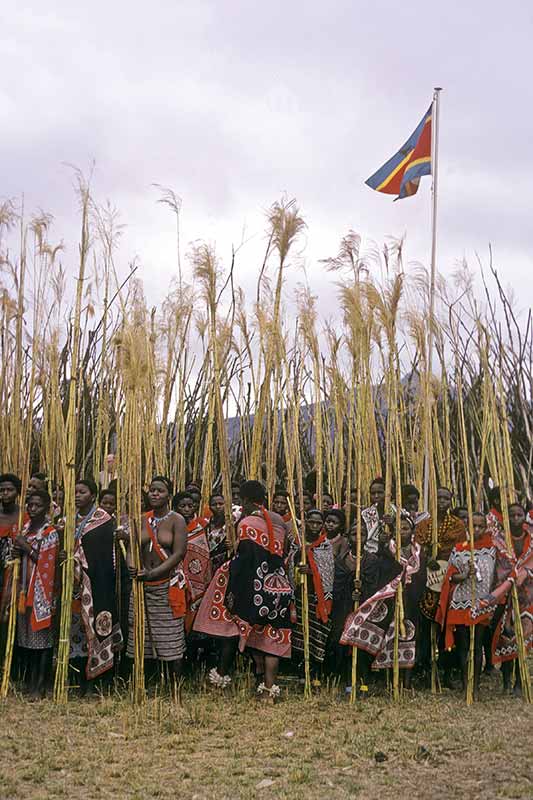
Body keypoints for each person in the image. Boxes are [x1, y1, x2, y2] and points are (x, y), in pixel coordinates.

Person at [194, 480, 293, 701]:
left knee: (231, 630)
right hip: (278, 586)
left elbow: (246, 559)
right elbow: (280, 554)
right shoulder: (280, 522)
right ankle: (268, 689)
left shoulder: (247, 522)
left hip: (253, 586)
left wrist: (232, 589)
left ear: (246, 500)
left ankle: (220, 677)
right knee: (271, 637)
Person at [341, 515, 426, 688]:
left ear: (412, 532)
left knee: (409, 635)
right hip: (389, 601)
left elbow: (422, 580)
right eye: (398, 528)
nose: (402, 532)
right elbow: (381, 577)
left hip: (410, 602)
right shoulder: (386, 552)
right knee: (384, 636)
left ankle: (406, 683)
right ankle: (385, 679)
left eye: (406, 528)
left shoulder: (420, 554)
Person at [126, 477, 188, 681]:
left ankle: (174, 688)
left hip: (165, 585)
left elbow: (179, 554)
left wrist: (154, 573)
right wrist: (131, 567)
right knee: (141, 637)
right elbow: (132, 547)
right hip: (142, 586)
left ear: (169, 495)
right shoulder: (142, 519)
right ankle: (142, 683)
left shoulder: (177, 520)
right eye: (152, 490)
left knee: (170, 638)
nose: (154, 494)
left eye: (160, 491)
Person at [67, 478, 123, 691]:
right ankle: (79, 678)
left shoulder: (103, 519)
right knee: (77, 631)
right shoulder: (69, 520)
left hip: (99, 584)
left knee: (100, 626)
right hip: (76, 586)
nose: (77, 495)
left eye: (82, 491)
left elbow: (105, 555)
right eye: (75, 492)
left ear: (92, 495)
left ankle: (101, 679)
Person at [436, 512, 496, 699]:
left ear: (485, 527)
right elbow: (451, 576)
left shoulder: (492, 548)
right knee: (463, 646)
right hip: (461, 602)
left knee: (477, 645)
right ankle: (465, 684)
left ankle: (476, 686)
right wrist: (464, 575)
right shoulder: (459, 548)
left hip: (481, 603)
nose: (476, 530)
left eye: (480, 526)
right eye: (473, 526)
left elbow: (497, 575)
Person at [11, 489, 59, 697]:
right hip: (23, 591)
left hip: (42, 595)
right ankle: (30, 682)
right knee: (27, 640)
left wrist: (25, 547)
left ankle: (41, 684)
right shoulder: (25, 529)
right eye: (29, 505)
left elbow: (47, 563)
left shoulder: (50, 532)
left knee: (42, 641)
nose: (32, 509)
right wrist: (16, 551)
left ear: (47, 507)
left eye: (37, 505)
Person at [482, 503, 533, 695]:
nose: (516, 519)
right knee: (505, 637)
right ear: (506, 518)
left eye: (519, 515)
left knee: (523, 638)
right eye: (511, 515)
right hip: (505, 596)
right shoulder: (499, 541)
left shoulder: (532, 539)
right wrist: (509, 579)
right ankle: (506, 681)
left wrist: (524, 574)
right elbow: (497, 567)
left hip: (527, 596)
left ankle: (519, 682)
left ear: (525, 517)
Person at [291, 509, 334, 673]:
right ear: (306, 522)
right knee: (300, 633)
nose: (315, 526)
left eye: (318, 523)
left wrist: (312, 571)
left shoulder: (325, 545)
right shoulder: (297, 542)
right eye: (312, 522)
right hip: (300, 593)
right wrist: (297, 566)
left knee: (316, 635)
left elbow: (328, 572)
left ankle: (314, 672)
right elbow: (288, 562)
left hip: (317, 597)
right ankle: (300, 671)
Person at [0, 474, 23, 599]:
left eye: (10, 490)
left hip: (16, 572)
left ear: (17, 492)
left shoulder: (24, 516)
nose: (5, 493)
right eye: (2, 490)